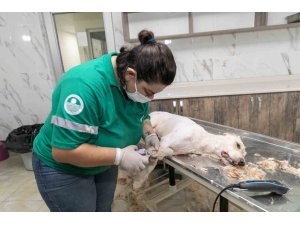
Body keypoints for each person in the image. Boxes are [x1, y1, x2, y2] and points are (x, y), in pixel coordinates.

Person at [32, 29, 177, 212]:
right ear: (130, 75)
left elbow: (141, 114)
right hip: (64, 169)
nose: (151, 98)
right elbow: (64, 151)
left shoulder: (133, 85)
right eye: (149, 92)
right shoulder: (84, 86)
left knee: (103, 210)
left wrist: (148, 132)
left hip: (103, 163)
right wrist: (119, 156)